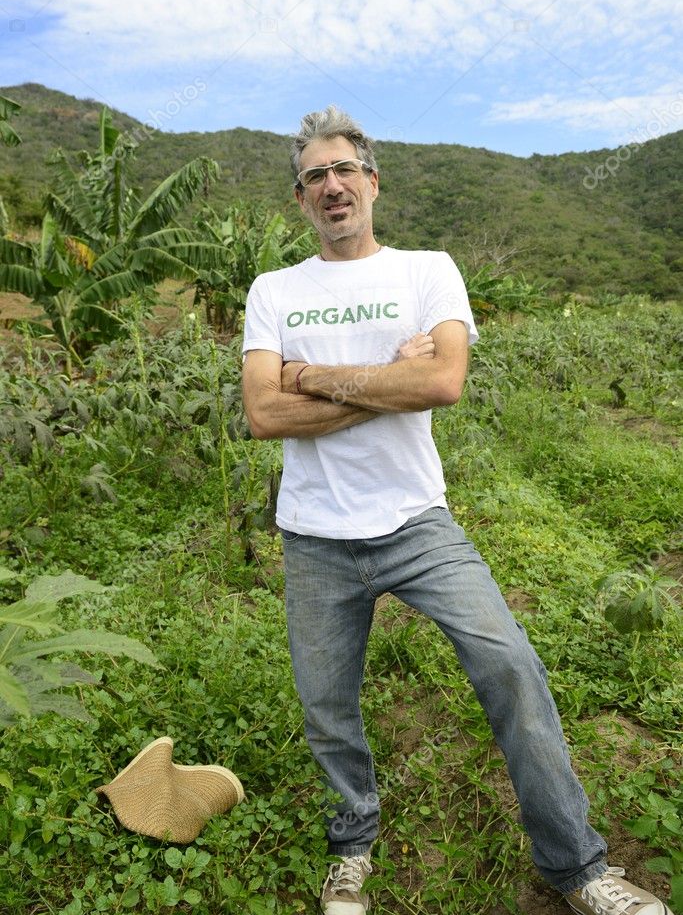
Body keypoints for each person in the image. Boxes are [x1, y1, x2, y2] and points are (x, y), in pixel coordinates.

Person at [241, 106, 672, 915]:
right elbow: (263, 415)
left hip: (417, 524)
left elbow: (441, 383)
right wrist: (380, 379)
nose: (330, 186)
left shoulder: (426, 269)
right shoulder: (275, 289)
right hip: (314, 535)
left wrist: (313, 377)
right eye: (312, 178)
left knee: (509, 665)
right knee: (325, 704)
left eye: (344, 171)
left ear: (372, 182)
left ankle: (576, 865)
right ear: (299, 199)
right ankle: (352, 841)